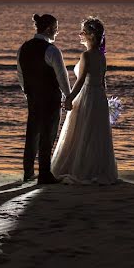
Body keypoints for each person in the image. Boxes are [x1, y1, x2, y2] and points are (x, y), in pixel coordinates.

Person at [50, 17, 119, 184]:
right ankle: (96, 169)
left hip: (87, 97)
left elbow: (80, 82)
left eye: (83, 32)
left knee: (81, 133)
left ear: (91, 36)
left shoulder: (87, 55)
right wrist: (104, 103)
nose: (80, 34)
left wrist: (69, 99)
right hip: (99, 98)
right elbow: (102, 82)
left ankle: (79, 170)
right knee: (94, 135)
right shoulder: (102, 57)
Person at [17, 14, 71, 184]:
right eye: (56, 27)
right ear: (49, 29)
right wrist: (68, 96)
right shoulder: (52, 50)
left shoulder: (23, 48)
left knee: (32, 133)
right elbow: (62, 77)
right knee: (48, 135)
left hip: (32, 96)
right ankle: (44, 174)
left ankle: (28, 172)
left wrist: (27, 91)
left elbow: (20, 74)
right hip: (50, 97)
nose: (57, 31)